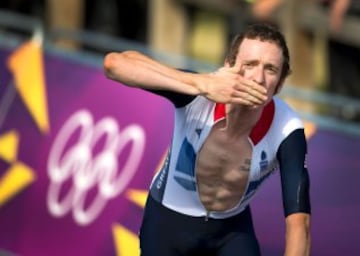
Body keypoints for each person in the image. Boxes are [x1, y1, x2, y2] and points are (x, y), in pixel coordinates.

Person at [103, 23, 311, 256]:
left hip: (231, 231)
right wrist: (200, 84)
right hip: (167, 222)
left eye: (271, 69)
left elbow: (298, 223)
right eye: (249, 65)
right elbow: (114, 64)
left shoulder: (287, 129)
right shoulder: (199, 92)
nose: (258, 78)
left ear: (280, 84)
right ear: (228, 66)